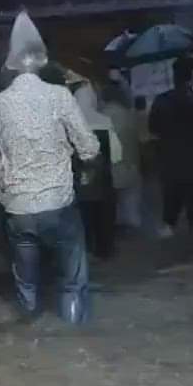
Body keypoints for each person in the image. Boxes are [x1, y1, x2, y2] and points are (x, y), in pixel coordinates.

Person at [0, 12, 100, 323]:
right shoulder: (60, 96)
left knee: (27, 285)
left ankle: (29, 342)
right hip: (59, 204)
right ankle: (74, 340)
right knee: (72, 282)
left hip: (18, 210)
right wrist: (83, 166)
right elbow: (89, 147)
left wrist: (7, 198)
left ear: (10, 63)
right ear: (41, 60)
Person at [150, 56, 193, 238]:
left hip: (170, 164)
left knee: (170, 211)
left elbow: (153, 130)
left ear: (174, 76)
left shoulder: (161, 102)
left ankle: (169, 247)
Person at [73, 81, 121, 259]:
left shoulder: (71, 124)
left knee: (84, 218)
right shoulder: (104, 121)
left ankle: (86, 250)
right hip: (103, 180)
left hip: (80, 181)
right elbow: (117, 154)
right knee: (104, 217)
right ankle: (104, 250)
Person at [102, 81, 143, 230]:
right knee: (130, 201)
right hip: (131, 163)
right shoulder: (129, 113)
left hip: (112, 165)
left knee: (114, 201)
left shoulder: (103, 114)